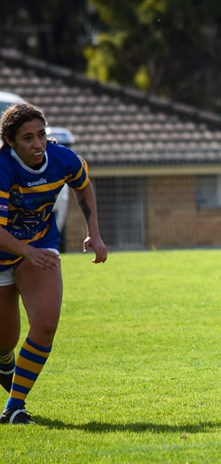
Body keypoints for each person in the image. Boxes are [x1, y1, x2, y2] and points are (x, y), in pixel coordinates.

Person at [0, 102, 107, 424]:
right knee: (5, 340)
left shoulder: (62, 159)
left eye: (41, 135)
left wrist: (94, 234)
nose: (37, 144)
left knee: (45, 324)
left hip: (40, 248)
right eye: (28, 138)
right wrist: (27, 252)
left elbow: (83, 187)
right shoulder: (3, 169)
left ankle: (14, 406)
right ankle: (5, 361)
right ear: (11, 142)